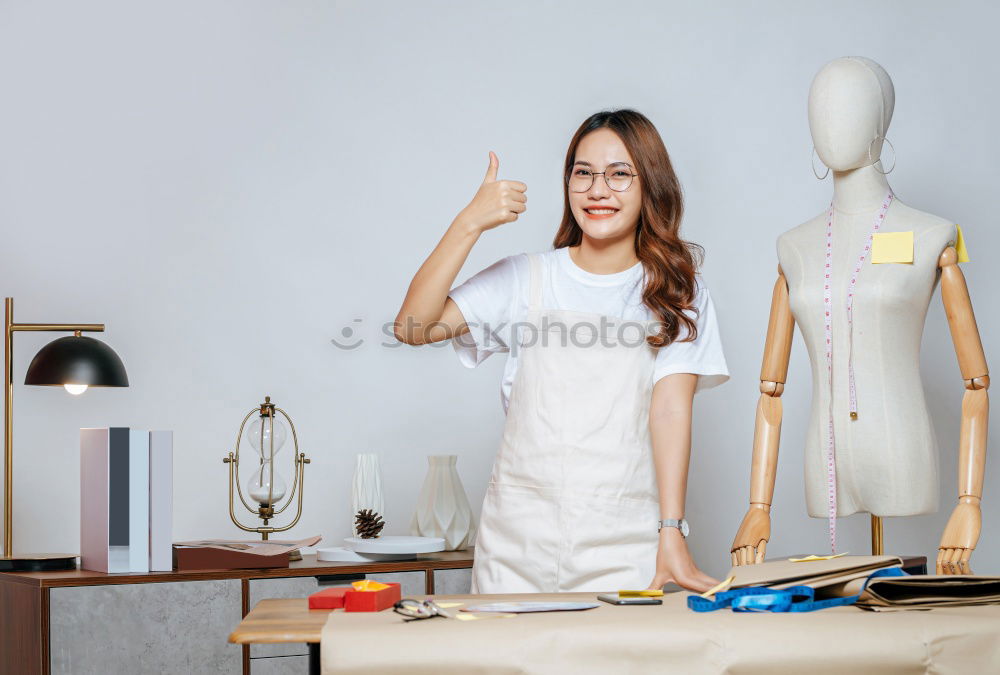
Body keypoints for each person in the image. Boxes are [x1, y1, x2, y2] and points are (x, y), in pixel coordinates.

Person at [394, 109, 728, 593]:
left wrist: (671, 533)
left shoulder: (676, 293)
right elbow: (412, 327)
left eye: (619, 174)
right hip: (517, 546)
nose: (597, 190)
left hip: (625, 543)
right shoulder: (525, 278)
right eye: (583, 173)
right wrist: (469, 223)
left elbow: (671, 411)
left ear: (649, 185)